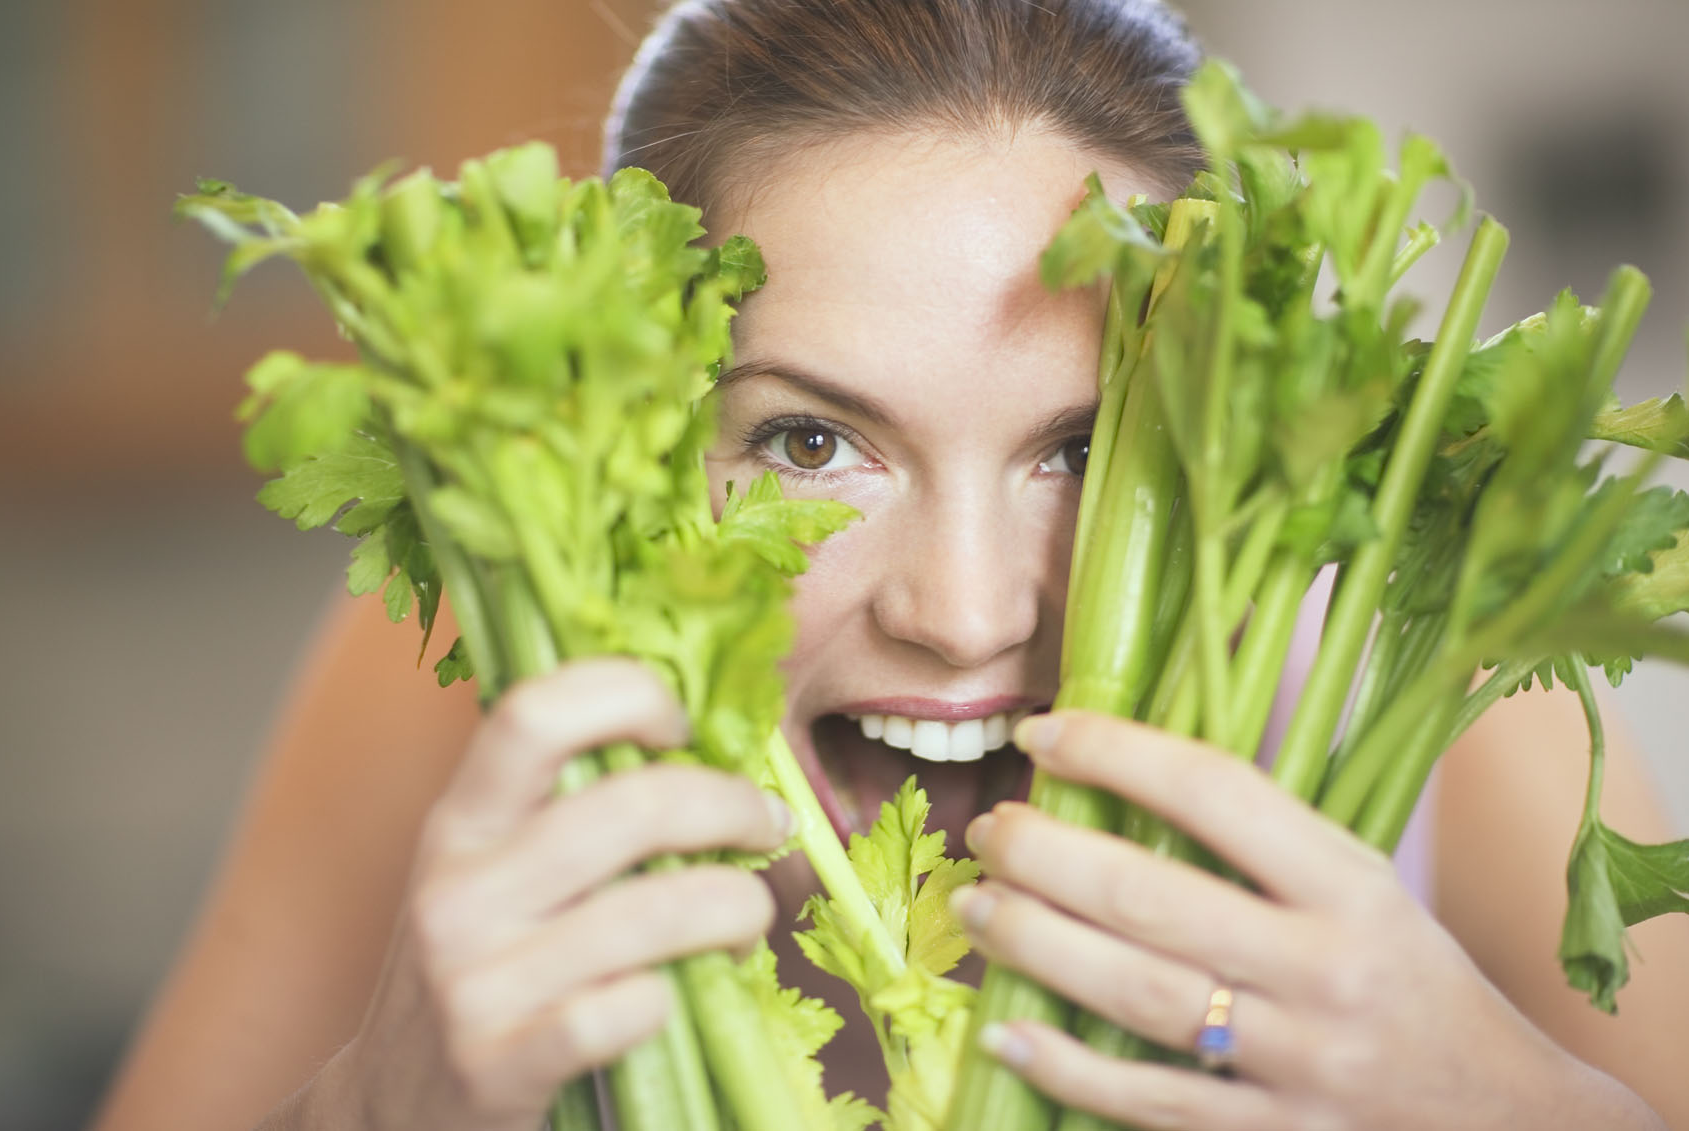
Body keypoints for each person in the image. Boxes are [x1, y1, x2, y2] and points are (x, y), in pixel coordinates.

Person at [91, 1, 1689, 1128]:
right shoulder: (481, 655)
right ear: (622, 447)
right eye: (807, 443)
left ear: (1234, 425)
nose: (967, 613)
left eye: (1080, 452)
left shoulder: (1451, 691)